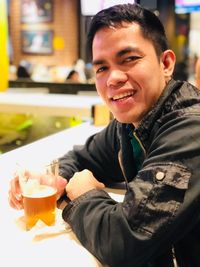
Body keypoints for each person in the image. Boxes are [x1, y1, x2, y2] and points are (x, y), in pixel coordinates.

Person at [8, 3, 200, 267]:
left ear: (165, 63)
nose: (112, 79)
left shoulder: (190, 129)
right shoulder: (132, 123)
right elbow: (82, 157)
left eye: (129, 59)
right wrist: (53, 180)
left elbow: (123, 242)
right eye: (101, 68)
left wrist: (84, 194)